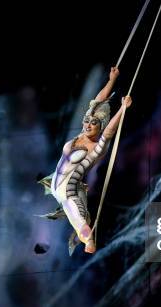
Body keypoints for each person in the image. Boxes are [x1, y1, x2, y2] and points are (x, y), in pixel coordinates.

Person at [40, 67, 132, 254]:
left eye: (93, 123)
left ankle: (88, 241)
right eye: (87, 121)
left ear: (100, 126)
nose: (88, 124)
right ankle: (85, 235)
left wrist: (122, 109)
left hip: (68, 192)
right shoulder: (83, 134)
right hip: (55, 185)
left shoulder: (97, 147)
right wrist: (112, 79)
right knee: (75, 217)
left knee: (81, 225)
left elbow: (108, 133)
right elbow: (97, 101)